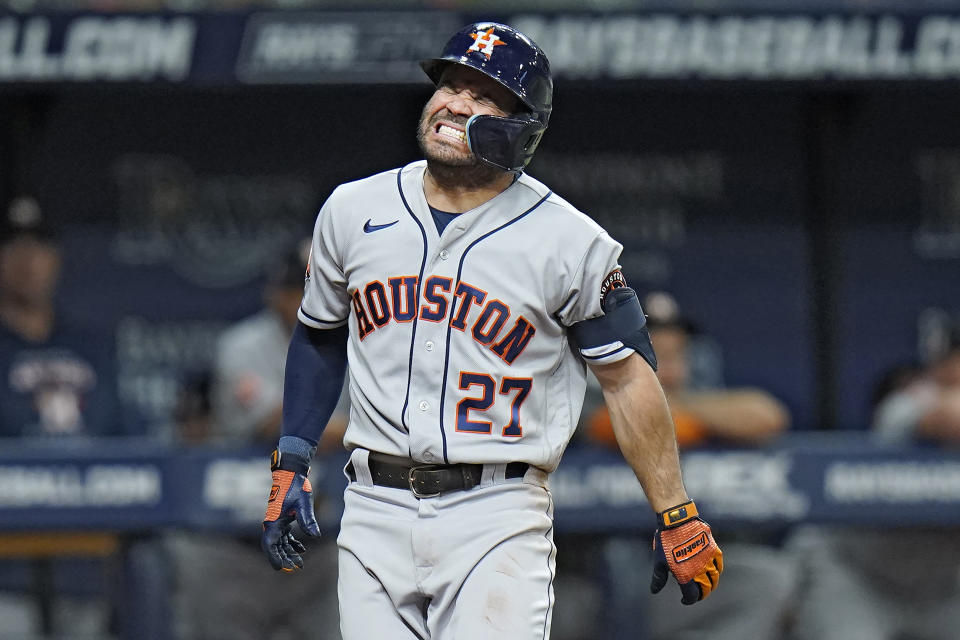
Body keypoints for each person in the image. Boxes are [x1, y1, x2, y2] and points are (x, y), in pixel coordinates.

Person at [258, 22, 723, 639]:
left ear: (521, 126)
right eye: (449, 85)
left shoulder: (569, 241)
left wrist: (676, 511)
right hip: (373, 504)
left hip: (497, 510)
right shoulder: (352, 209)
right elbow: (318, 334)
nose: (453, 103)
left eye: (482, 96)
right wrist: (292, 460)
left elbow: (627, 378)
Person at [584, 292, 793, 640]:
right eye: (656, 354)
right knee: (614, 563)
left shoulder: (700, 395)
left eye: (678, 354)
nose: (672, 368)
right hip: (603, 571)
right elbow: (609, 423)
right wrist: (672, 409)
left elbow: (767, 416)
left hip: (680, 561)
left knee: (767, 577)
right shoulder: (586, 394)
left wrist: (683, 407)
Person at [168, 240, 345, 640]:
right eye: (295, 290)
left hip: (320, 543)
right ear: (275, 294)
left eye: (312, 289)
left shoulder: (352, 339)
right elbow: (279, 424)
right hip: (236, 539)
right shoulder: (241, 345)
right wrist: (354, 430)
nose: (303, 300)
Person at [789, 333, 960, 640]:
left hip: (943, 590)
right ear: (943, 367)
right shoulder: (911, 399)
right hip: (858, 576)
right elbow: (951, 417)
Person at [0, 196, 121, 438]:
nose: (27, 258)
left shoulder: (93, 346)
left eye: (39, 244)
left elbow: (121, 438)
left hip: (92, 473)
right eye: (12, 244)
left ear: (56, 258)